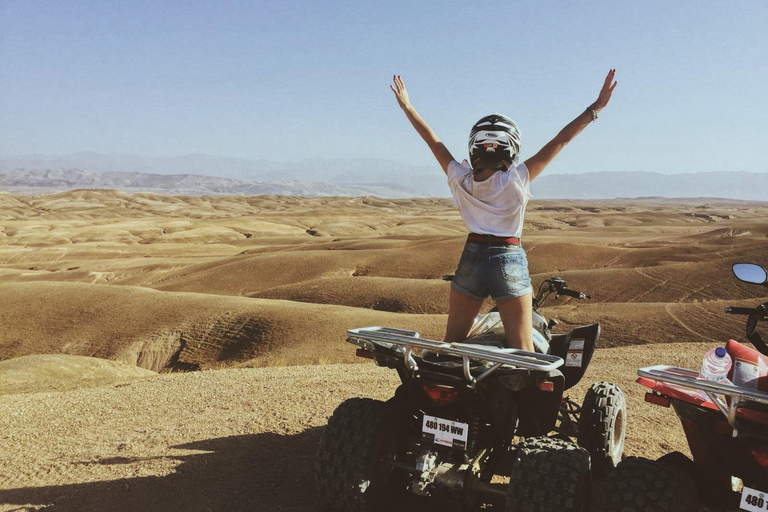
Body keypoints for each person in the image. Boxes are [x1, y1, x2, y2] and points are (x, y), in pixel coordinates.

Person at [390, 70, 617, 352]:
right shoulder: (515, 179)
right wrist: (596, 108)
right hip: (507, 258)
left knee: (451, 346)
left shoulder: (460, 179)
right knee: (523, 353)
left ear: (474, 148)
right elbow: (560, 140)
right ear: (511, 149)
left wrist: (407, 107)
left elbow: (433, 140)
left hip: (471, 258)